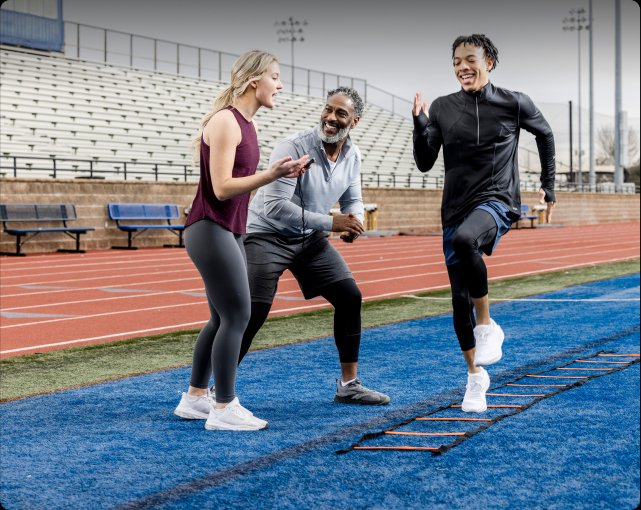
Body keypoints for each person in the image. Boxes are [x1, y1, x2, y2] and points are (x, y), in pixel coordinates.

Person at [412, 34, 556, 413]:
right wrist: (419, 125)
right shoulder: (443, 107)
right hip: (454, 207)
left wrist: (549, 187)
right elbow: (425, 162)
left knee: (465, 241)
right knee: (458, 300)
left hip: (498, 200)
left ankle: (488, 324)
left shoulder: (514, 102)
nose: (463, 66)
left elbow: (546, 135)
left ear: (489, 61)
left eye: (470, 58)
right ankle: (475, 376)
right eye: (457, 60)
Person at [173, 50, 310, 431]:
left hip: (227, 230)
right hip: (210, 227)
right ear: (255, 80)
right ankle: (223, 408)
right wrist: (271, 175)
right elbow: (220, 188)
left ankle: (195, 398)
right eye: (276, 77)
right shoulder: (226, 122)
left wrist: (281, 173)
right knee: (238, 316)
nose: (280, 85)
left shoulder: (247, 124)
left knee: (220, 318)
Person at [238, 86, 390, 406]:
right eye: (328, 110)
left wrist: (355, 222)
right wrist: (333, 223)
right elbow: (275, 208)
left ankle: (349, 385)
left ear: (355, 121)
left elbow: (353, 198)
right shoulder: (293, 147)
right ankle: (212, 389)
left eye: (340, 114)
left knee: (350, 296)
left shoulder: (353, 154)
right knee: (253, 312)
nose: (331, 118)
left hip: (308, 239)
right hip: (267, 235)